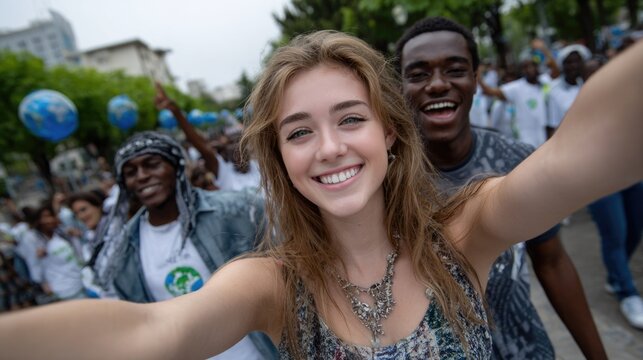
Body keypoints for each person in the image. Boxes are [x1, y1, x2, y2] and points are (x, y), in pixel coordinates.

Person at [0, 31, 642, 359]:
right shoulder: (271, 285)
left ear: (391, 131)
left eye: (351, 118)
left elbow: (575, 160)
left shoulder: (466, 229)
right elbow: (151, 332)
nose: (329, 147)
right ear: (278, 156)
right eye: (299, 131)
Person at [395, 17, 607, 359]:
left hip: (526, 349)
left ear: (476, 80)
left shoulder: (517, 161)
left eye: (455, 69)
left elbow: (551, 261)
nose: (437, 85)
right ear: (400, 86)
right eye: (418, 74)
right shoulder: (386, 181)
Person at [90, 131, 276, 359]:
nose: (142, 176)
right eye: (131, 172)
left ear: (176, 166)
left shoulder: (235, 210)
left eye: (152, 164)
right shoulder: (124, 251)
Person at [478, 39, 559, 148]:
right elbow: (488, 91)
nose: (529, 70)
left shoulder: (544, 81)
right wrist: (477, 73)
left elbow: (556, 70)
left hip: (546, 140)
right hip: (526, 144)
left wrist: (543, 49)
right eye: (525, 67)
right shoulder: (516, 88)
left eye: (532, 66)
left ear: (537, 67)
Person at [546, 44, 591, 138]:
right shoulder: (554, 92)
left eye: (577, 61)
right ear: (562, 65)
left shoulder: (588, 84)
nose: (574, 66)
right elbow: (554, 127)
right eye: (569, 62)